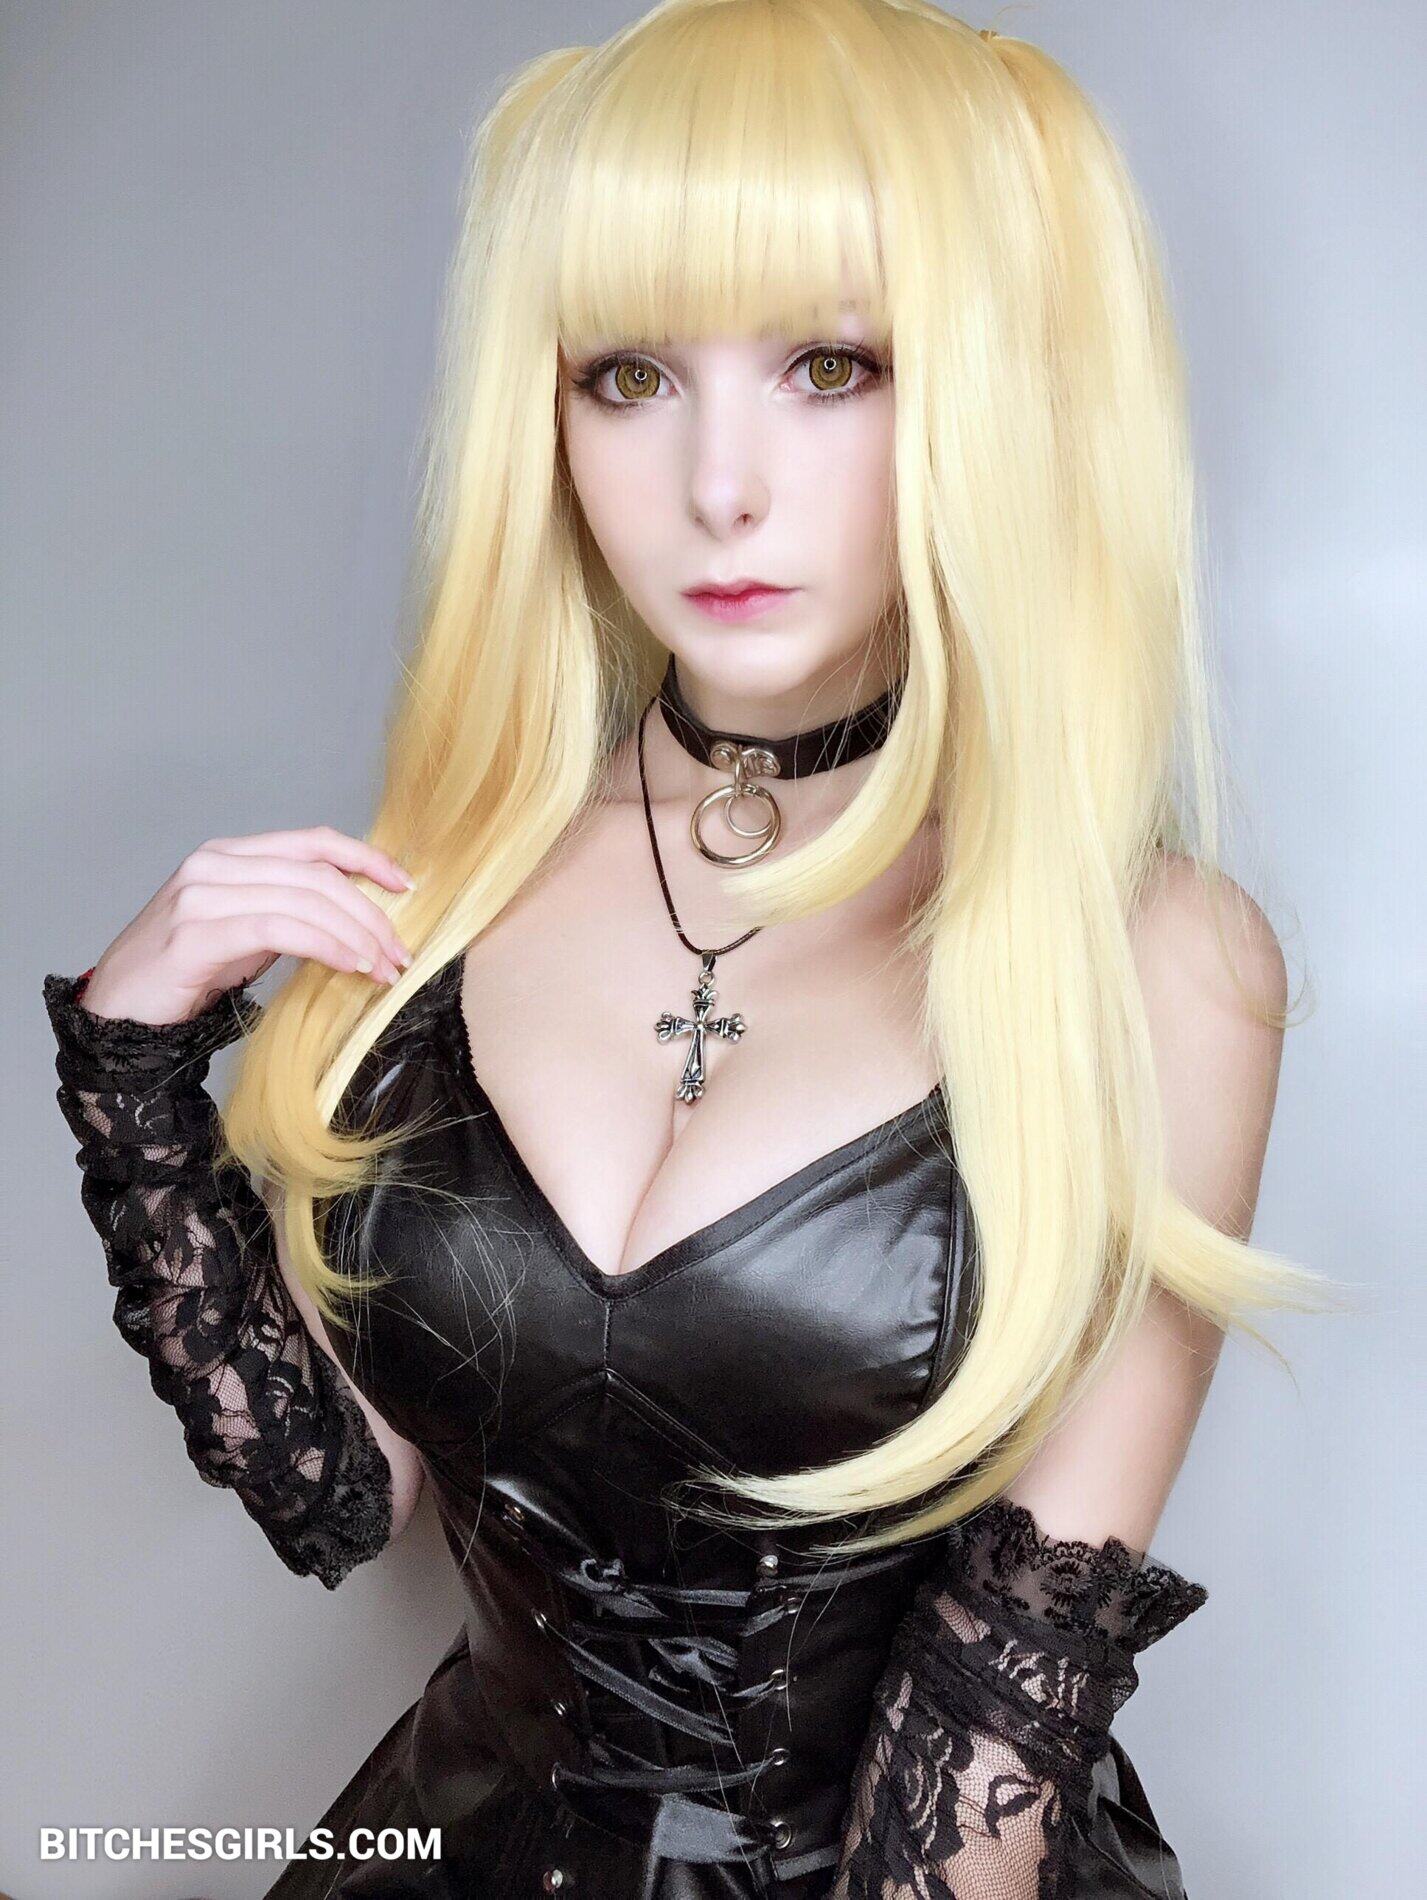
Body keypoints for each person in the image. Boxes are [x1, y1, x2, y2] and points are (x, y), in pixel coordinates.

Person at [42, 4, 1338, 1895]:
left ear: (1001, 387)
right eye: (630, 374)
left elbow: (986, 1764)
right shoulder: (441, 892)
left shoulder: (1156, 965)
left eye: (833, 364)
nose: (718, 484)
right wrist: (135, 1084)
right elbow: (341, 1499)